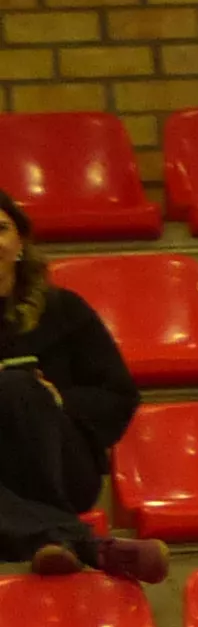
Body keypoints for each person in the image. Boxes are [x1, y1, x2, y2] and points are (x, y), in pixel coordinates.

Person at [0, 190, 166, 585]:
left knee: (15, 386)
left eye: (1, 229)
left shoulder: (64, 310)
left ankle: (54, 532)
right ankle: (89, 547)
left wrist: (61, 400)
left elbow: (120, 394)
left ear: (20, 242)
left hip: (62, 465)